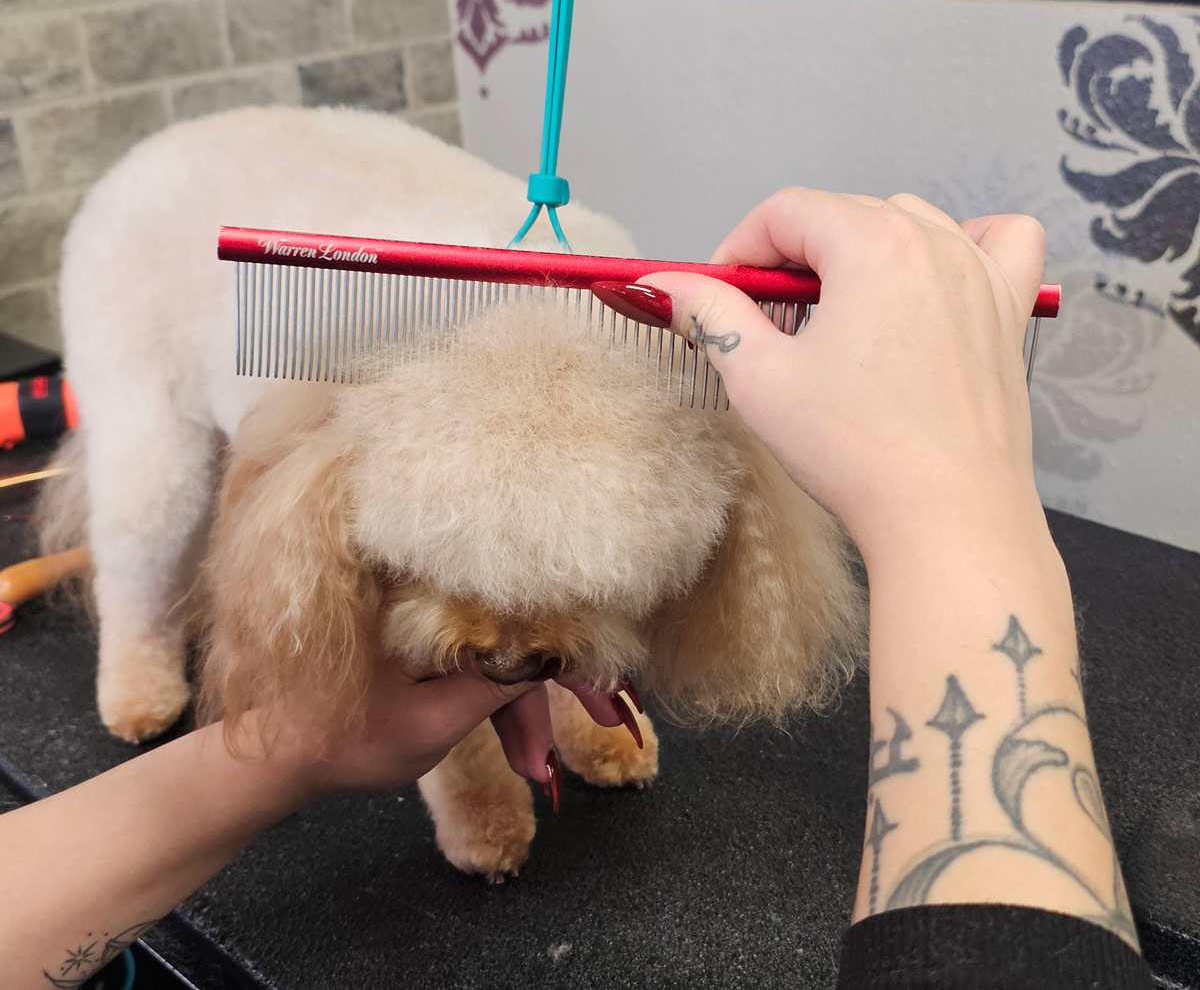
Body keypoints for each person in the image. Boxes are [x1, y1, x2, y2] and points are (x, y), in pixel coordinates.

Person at [0, 188, 1153, 990]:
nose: (506, 654)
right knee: (145, 505)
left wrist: (289, 749)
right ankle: (136, 640)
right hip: (151, 250)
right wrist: (959, 506)